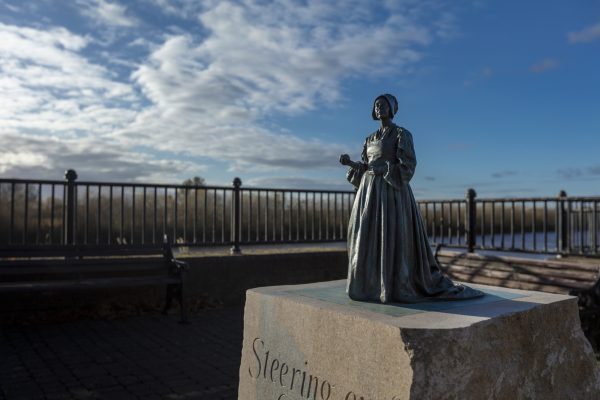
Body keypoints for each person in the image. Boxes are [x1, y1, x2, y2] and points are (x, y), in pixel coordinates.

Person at [339, 94, 483, 303]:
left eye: (383, 105)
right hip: (369, 194)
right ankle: (368, 285)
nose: (379, 108)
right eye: (376, 105)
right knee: (365, 235)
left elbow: (408, 165)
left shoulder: (401, 134)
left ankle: (394, 284)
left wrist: (386, 169)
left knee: (392, 234)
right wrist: (352, 164)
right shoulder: (369, 139)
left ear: (392, 109)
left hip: (392, 193)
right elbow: (365, 167)